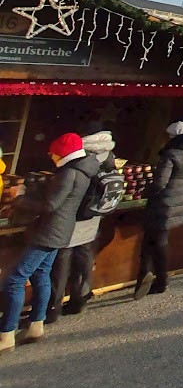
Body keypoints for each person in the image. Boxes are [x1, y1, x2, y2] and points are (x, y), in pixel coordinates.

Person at [1, 134, 94, 353]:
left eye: (52, 152)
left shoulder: (68, 173)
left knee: (15, 279)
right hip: (60, 231)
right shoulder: (82, 170)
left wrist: (18, 197)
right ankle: (36, 324)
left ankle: (6, 334)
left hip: (48, 233)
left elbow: (50, 205)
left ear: (62, 153)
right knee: (41, 274)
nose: (50, 156)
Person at [47, 123, 116, 322]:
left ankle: (54, 306)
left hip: (74, 214)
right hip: (93, 214)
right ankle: (81, 297)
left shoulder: (82, 154)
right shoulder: (108, 154)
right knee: (85, 254)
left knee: (62, 259)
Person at [135, 120, 183, 300]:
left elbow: (160, 183)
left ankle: (158, 279)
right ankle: (151, 276)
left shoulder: (171, 155)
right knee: (155, 239)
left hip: (165, 202)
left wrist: (144, 191)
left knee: (156, 240)